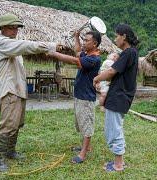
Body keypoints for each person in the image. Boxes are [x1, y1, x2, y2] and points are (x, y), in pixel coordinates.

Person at [0, 13, 58, 172]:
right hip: (9, 90)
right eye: (11, 27)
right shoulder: (2, 42)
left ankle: (10, 151)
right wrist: (50, 46)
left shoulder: (13, 45)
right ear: (2, 28)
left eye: (16, 27)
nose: (15, 30)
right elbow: (27, 46)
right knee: (8, 124)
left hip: (18, 89)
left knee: (17, 123)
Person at [48, 30, 102, 164]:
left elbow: (74, 60)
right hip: (79, 95)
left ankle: (83, 153)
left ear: (94, 43)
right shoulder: (87, 54)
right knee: (81, 123)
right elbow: (77, 52)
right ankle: (86, 146)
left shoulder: (94, 59)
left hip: (86, 97)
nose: (84, 42)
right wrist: (77, 37)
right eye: (84, 40)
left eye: (86, 40)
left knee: (87, 125)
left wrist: (55, 54)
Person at [93, 24, 139, 172]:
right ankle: (119, 161)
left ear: (124, 36)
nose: (115, 39)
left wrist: (97, 78)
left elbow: (112, 71)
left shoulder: (128, 52)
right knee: (114, 128)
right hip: (119, 95)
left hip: (119, 96)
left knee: (114, 130)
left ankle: (118, 165)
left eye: (116, 35)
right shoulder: (131, 53)